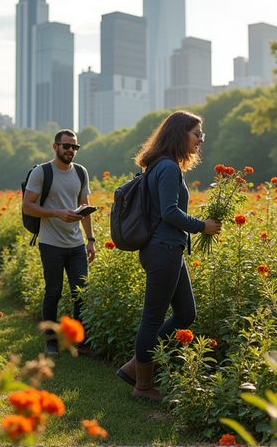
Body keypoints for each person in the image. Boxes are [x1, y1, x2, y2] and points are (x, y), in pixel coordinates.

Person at [117, 110, 221, 401]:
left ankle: (134, 367)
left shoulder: (161, 166)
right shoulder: (168, 168)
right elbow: (169, 212)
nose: (200, 140)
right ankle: (143, 386)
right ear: (180, 134)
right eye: (196, 133)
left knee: (186, 313)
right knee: (151, 320)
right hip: (163, 250)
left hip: (169, 248)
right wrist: (204, 227)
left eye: (201, 134)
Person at [22, 129, 96, 357]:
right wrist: (57, 213)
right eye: (66, 146)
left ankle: (80, 342)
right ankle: (51, 343)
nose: (71, 150)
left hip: (76, 244)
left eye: (75, 147)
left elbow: (85, 207)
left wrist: (90, 240)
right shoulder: (41, 172)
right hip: (51, 242)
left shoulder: (81, 172)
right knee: (53, 292)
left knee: (80, 293)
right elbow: (28, 206)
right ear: (55, 147)